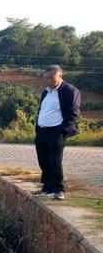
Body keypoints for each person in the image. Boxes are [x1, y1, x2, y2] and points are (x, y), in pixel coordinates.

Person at [33, 65, 81, 201]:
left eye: (51, 77)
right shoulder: (46, 92)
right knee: (43, 160)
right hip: (42, 131)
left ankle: (59, 189)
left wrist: (62, 131)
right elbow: (42, 110)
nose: (48, 80)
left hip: (57, 131)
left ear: (60, 76)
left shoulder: (69, 91)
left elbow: (73, 113)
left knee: (55, 161)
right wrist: (37, 127)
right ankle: (47, 187)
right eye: (46, 78)